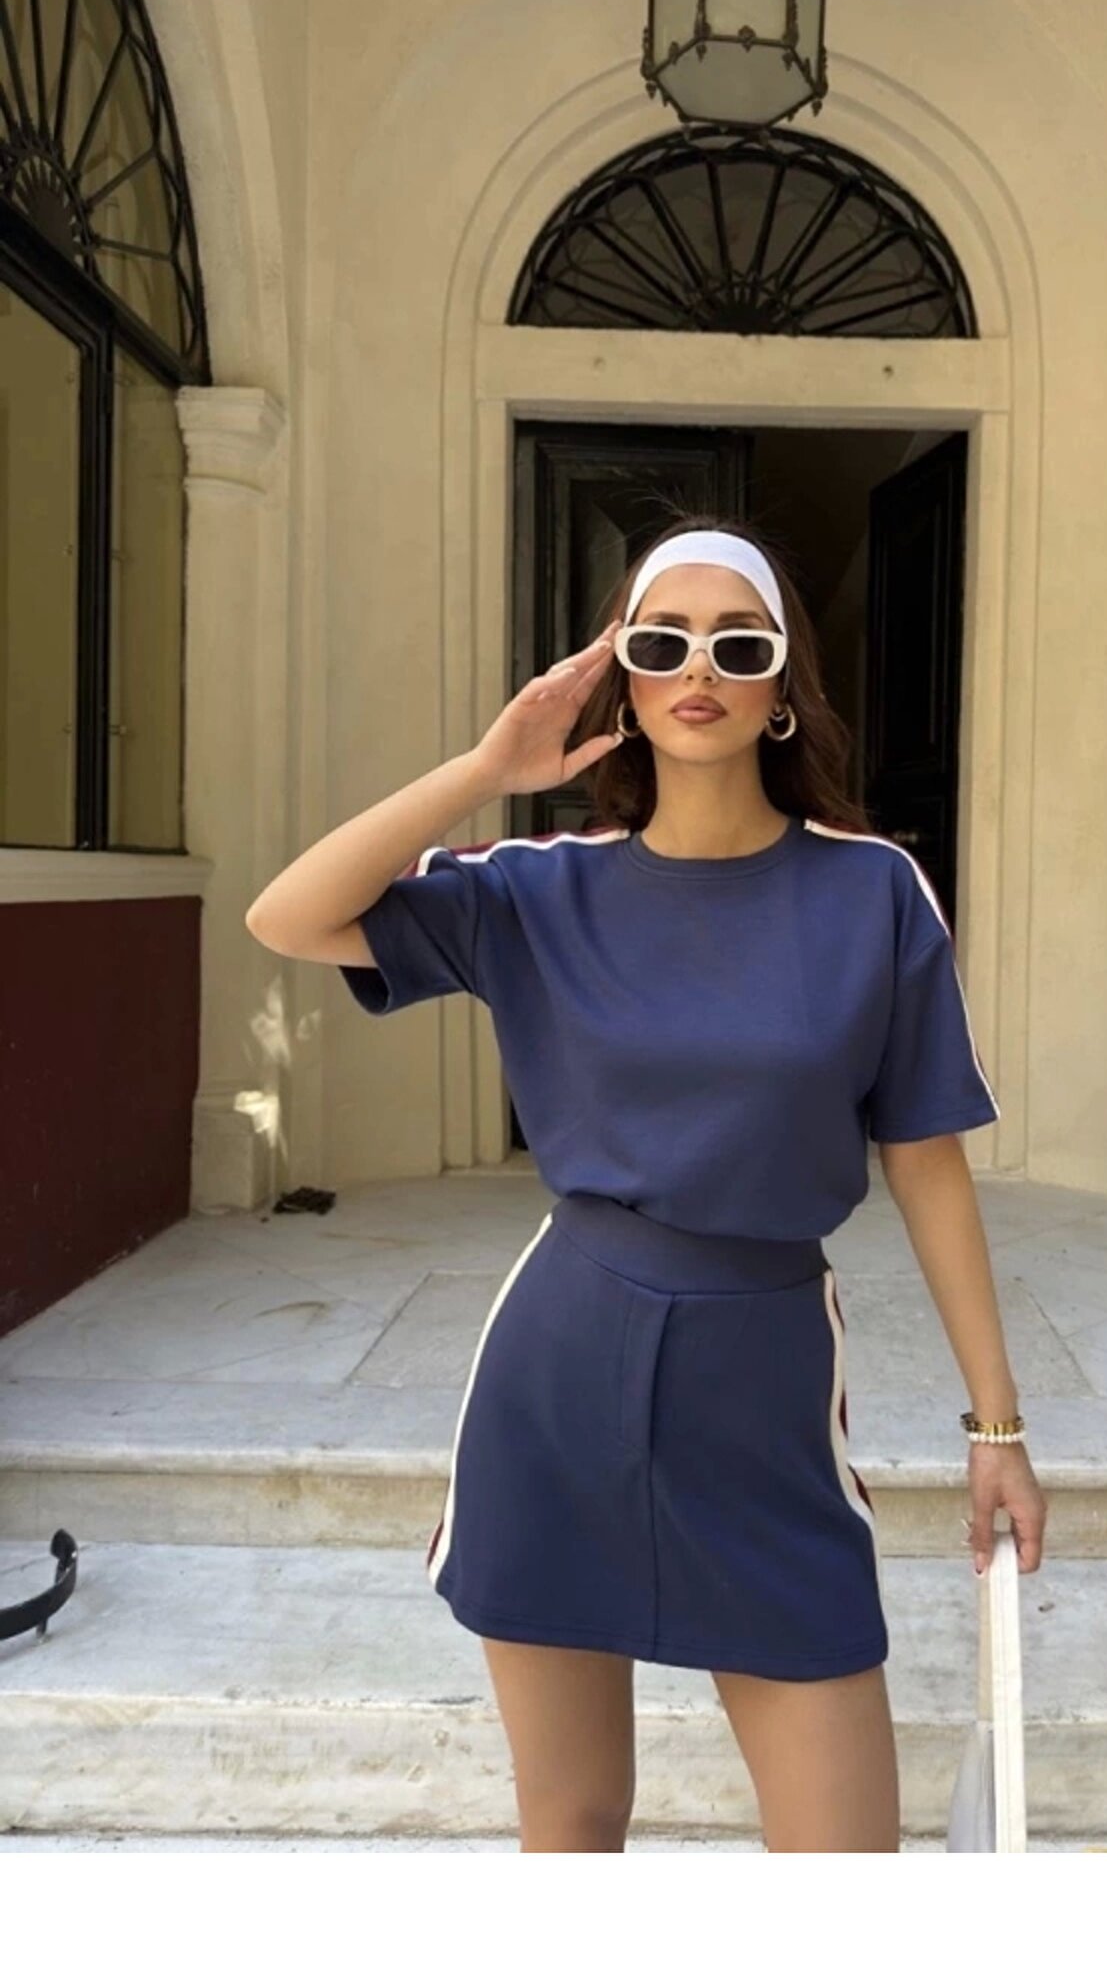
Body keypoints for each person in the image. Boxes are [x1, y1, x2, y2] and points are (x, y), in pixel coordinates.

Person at [245, 516, 1046, 1852]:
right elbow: (288, 915)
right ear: (620, 674)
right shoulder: (535, 889)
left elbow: (924, 1158)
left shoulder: (873, 893)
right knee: (571, 1823)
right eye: (661, 642)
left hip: (763, 1376)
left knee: (846, 1856)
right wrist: (488, 770)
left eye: (740, 644)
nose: (700, 670)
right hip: (560, 1370)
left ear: (783, 687)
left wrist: (998, 1428)